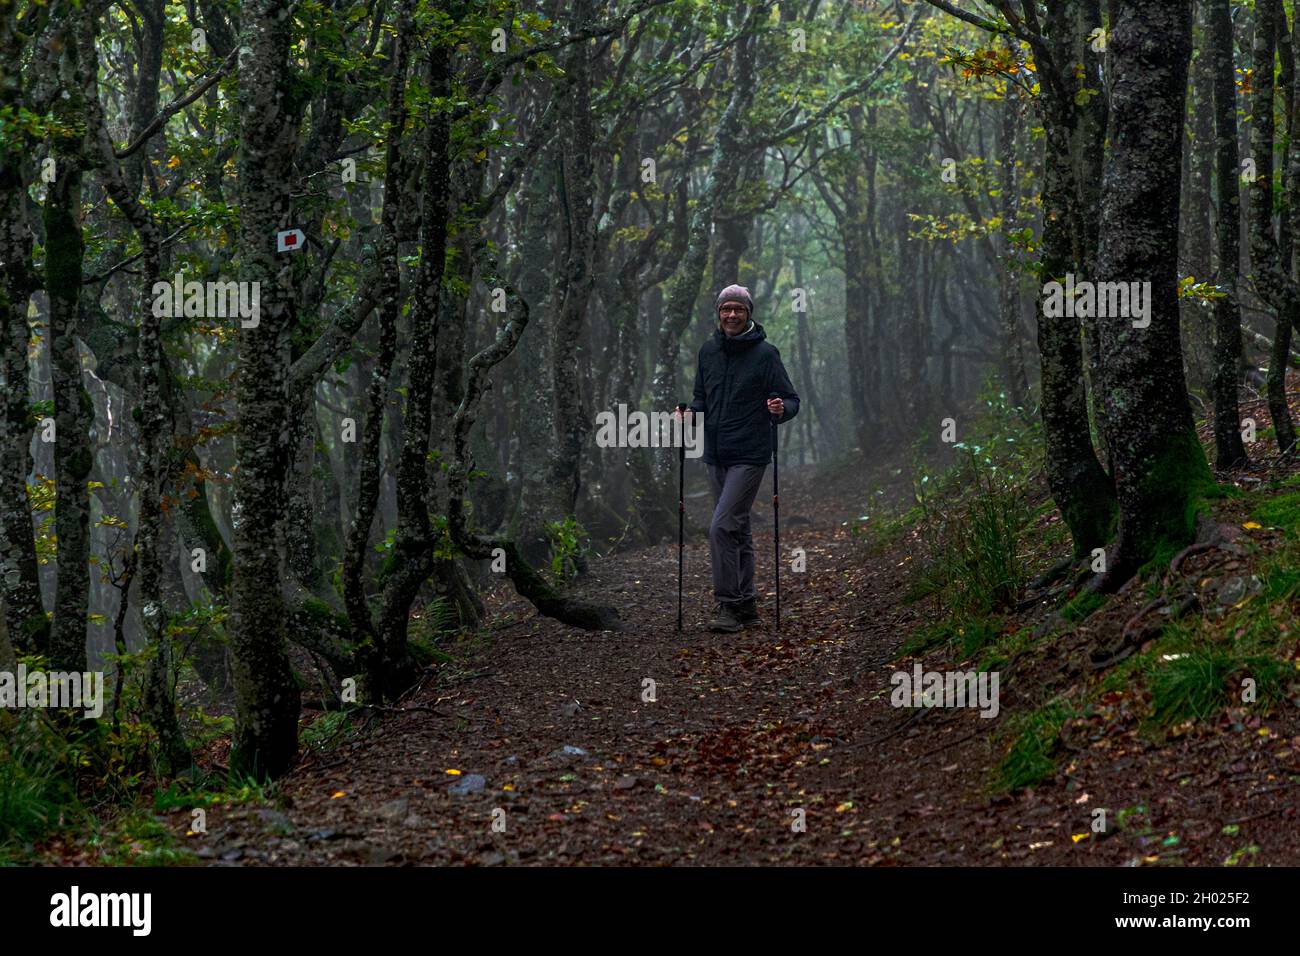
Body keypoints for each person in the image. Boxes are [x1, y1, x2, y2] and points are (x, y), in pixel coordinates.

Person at [679, 284, 799, 632]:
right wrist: (689, 414)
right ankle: (746, 603)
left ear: (749, 313)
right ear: (718, 313)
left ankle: (727, 605)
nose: (731, 314)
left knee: (720, 526)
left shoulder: (766, 354)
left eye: (738, 309)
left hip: (750, 453)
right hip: (715, 453)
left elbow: (791, 400)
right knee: (738, 528)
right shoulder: (707, 352)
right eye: (725, 309)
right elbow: (701, 398)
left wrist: (779, 409)